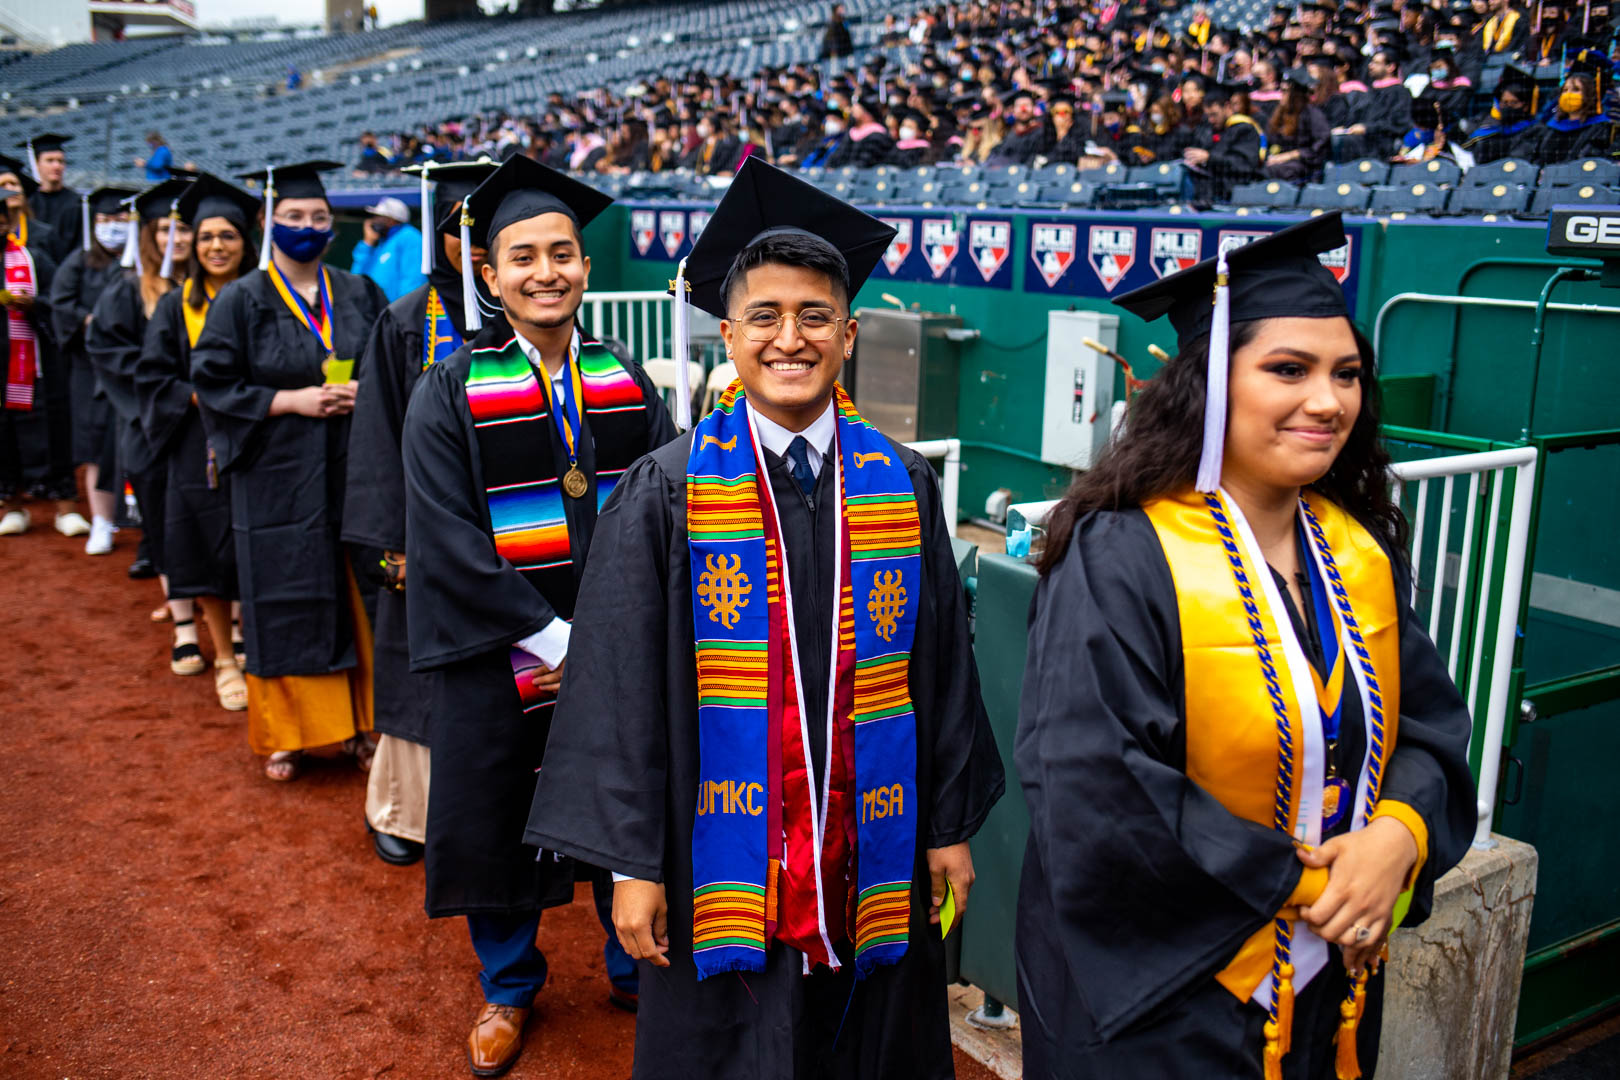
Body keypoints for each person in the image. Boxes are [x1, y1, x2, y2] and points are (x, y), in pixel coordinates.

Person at [525, 158, 1005, 1079]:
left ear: (851, 333)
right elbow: (618, 691)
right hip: (720, 861)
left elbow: (942, 669)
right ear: (729, 336)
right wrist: (631, 865)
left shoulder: (901, 482)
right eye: (766, 318)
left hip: (874, 846)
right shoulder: (668, 491)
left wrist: (945, 826)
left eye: (815, 316)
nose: (791, 338)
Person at [1016, 213, 1476, 1080]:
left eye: (1346, 374)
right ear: (1211, 387)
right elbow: (1097, 786)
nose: (1328, 400)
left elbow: (1426, 730)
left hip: (1329, 979)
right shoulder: (1123, 553)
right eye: (1287, 370)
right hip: (1164, 996)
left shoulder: (1356, 551)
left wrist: (1398, 840)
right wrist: (1314, 887)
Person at [399, 155, 676, 1077]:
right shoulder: (448, 389)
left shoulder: (627, 380)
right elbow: (444, 539)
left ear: (586, 270)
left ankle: (630, 967)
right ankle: (508, 986)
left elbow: (665, 510)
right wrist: (555, 637)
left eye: (563, 254)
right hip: (501, 652)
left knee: (619, 795)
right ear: (490, 275)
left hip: (611, 651)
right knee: (495, 810)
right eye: (523, 257)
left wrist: (602, 643)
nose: (546, 272)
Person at [191, 160, 388, 782]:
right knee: (285, 596)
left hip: (351, 466)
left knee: (356, 597)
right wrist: (290, 401)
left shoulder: (356, 291)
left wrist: (365, 391)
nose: (307, 227)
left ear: (334, 226)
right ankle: (290, 734)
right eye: (294, 218)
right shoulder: (242, 299)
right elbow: (212, 381)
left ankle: (361, 725)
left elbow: (386, 364)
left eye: (319, 218)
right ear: (268, 222)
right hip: (276, 474)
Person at [342, 158, 502, 869]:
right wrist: (388, 546)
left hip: (516, 537)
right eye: (459, 231)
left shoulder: (532, 313)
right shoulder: (406, 321)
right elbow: (375, 439)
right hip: (423, 536)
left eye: (487, 232)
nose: (473, 247)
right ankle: (405, 812)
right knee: (419, 672)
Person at [134, 174, 259, 712]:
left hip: (260, 442)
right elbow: (154, 377)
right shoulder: (174, 306)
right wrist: (207, 395)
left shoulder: (263, 299)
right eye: (206, 236)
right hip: (197, 447)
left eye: (227, 236)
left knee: (258, 546)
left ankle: (250, 638)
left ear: (244, 242)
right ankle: (225, 660)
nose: (215, 246)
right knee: (205, 550)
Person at [87, 177, 196, 638]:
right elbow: (108, 350)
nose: (178, 239)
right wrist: (167, 386)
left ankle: (201, 595)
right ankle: (180, 605)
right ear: (148, 236)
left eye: (186, 228)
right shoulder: (130, 289)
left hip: (208, 421)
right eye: (165, 230)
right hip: (154, 420)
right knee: (162, 510)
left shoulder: (216, 286)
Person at [50, 185, 136, 553]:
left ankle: (139, 521)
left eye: (120, 220)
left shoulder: (142, 262)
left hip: (133, 368)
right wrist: (89, 322)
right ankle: (101, 521)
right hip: (91, 368)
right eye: (104, 220)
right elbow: (59, 303)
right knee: (94, 444)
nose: (112, 227)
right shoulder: (80, 261)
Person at [0, 170, 63, 537]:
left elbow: (61, 301)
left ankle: (63, 505)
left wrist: (34, 303)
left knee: (47, 427)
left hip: (33, 362)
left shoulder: (33, 257)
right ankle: (11, 504)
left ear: (8, 221)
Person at [1185, 82, 1266, 203]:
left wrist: (1209, 158)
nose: (1211, 120)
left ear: (1227, 107)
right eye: (1208, 116)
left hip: (1234, 192)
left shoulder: (1245, 130)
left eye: (1214, 115)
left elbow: (1244, 165)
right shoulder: (1208, 129)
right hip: (1209, 190)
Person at [1512, 70, 1611, 165]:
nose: (1568, 94)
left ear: (1589, 95)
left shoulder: (1600, 128)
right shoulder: (1550, 129)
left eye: (1576, 89)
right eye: (1565, 90)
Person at [350, 195, 426, 303]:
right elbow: (356, 278)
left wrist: (403, 312)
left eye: (378, 216)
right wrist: (367, 243)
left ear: (392, 219)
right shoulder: (381, 243)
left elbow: (413, 281)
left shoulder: (410, 237)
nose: (373, 221)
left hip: (398, 313)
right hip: (376, 313)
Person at [19, 134, 80, 261]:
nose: (56, 166)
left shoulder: (77, 202)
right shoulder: (27, 202)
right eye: (50, 160)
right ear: (37, 164)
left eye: (60, 161)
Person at [1461, 65, 1537, 164]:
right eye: (1504, 103)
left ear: (1525, 106)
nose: (1508, 106)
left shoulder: (1534, 130)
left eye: (1513, 103)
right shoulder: (1489, 127)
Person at [1263, 71, 1330, 181]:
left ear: (1295, 94)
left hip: (1304, 166)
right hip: (1279, 161)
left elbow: (1320, 146)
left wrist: (1290, 155)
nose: (1280, 95)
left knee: (1277, 171)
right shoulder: (1279, 114)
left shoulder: (1312, 114)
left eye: (1284, 91)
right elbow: (1269, 140)